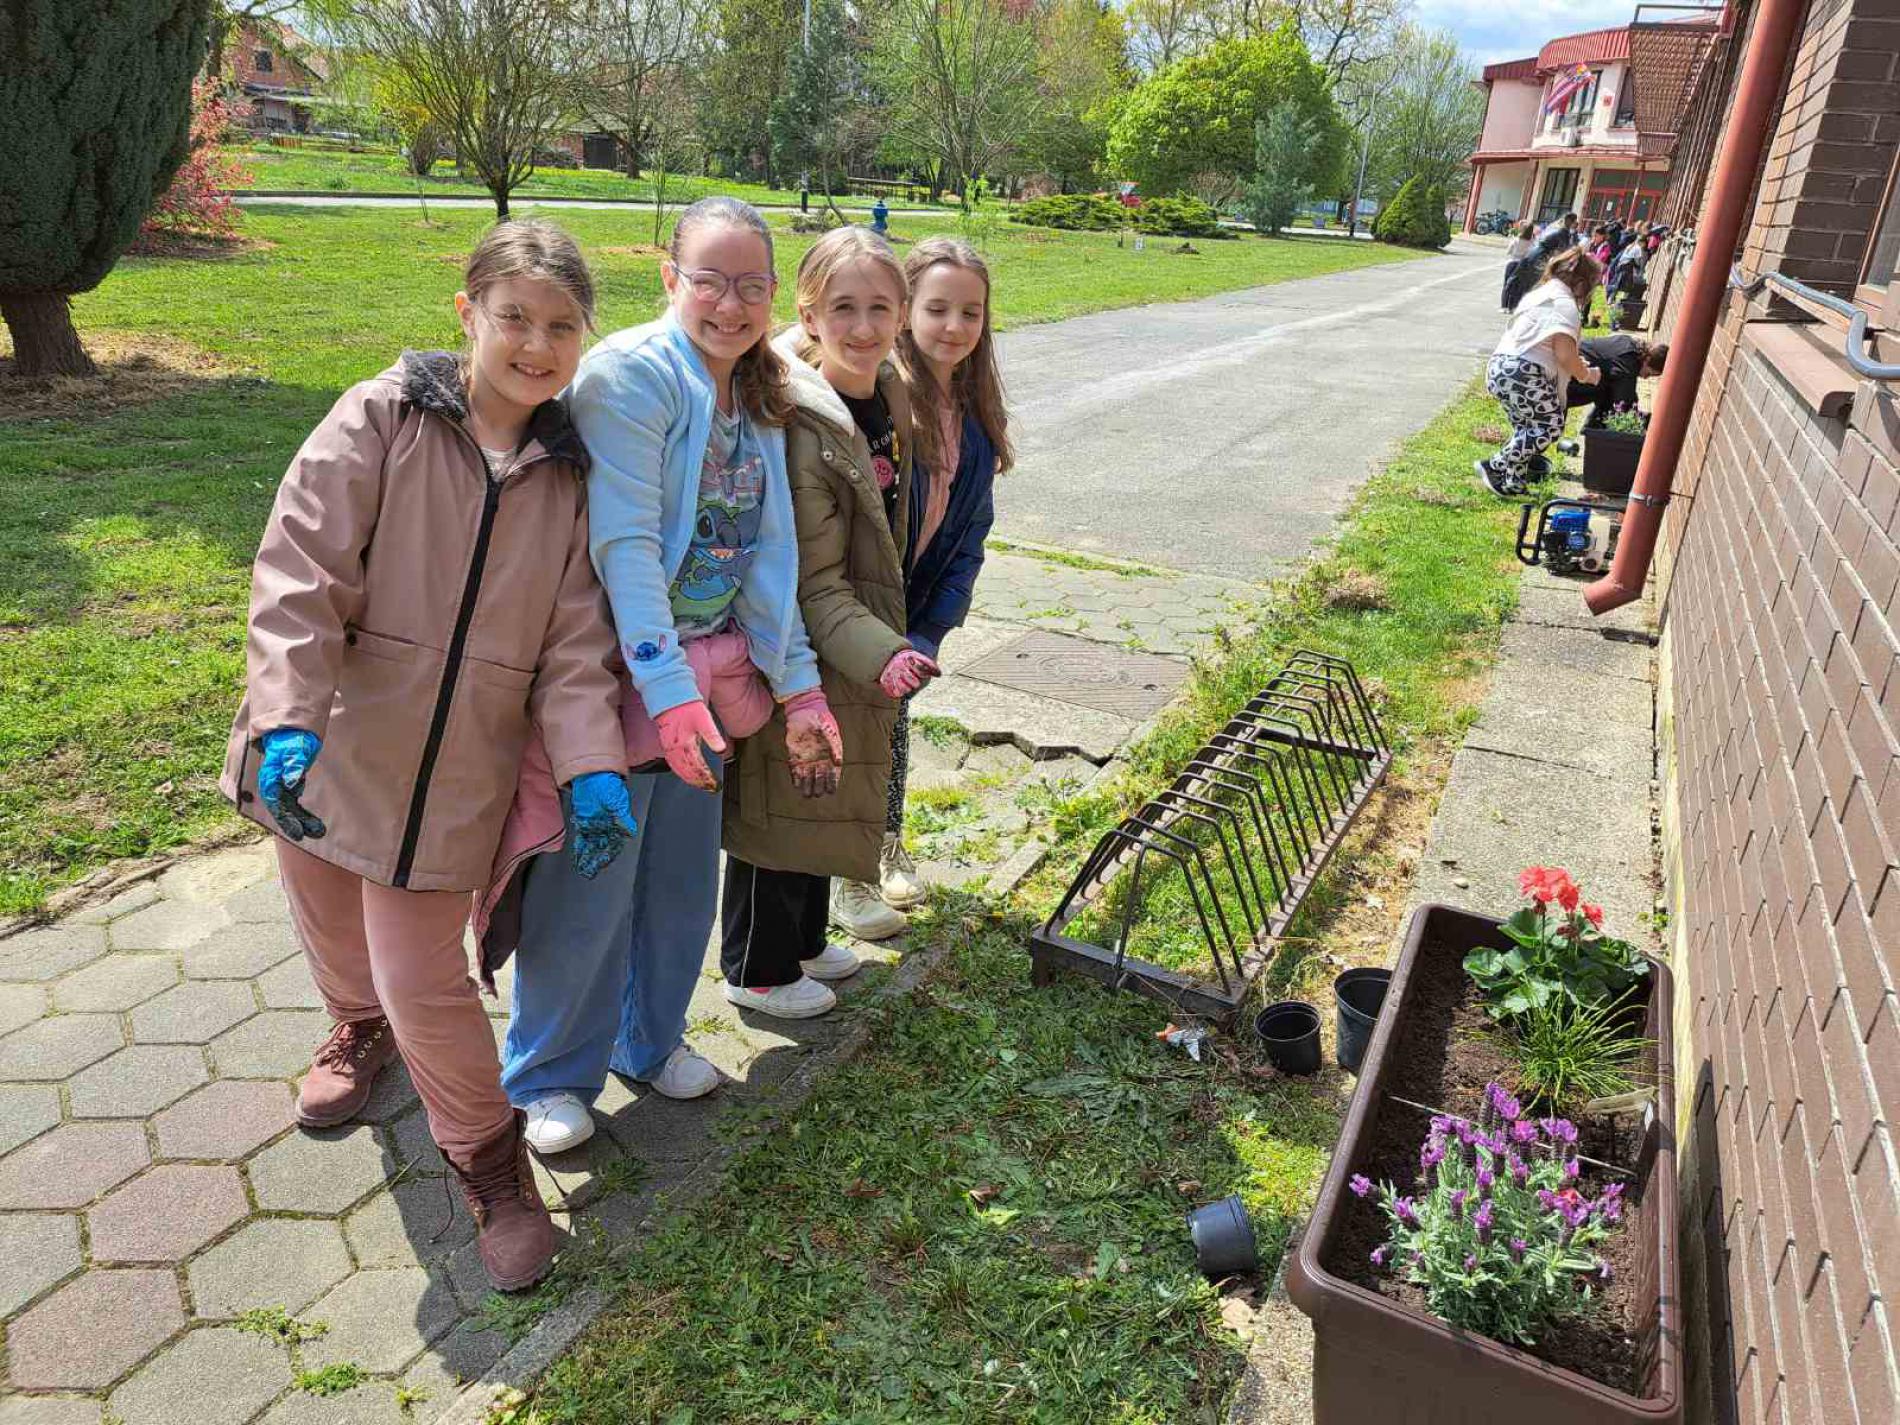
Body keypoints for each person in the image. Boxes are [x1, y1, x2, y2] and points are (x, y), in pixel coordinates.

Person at [219, 221, 633, 1291]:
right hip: (331, 742)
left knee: (425, 978)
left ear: (583, 338)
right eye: (514, 318)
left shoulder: (571, 477)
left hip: (457, 780)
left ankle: (491, 1165)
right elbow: (300, 569)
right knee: (325, 913)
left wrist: (590, 763)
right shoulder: (383, 415)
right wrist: (288, 714)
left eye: (560, 327)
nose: (534, 345)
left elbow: (575, 648)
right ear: (467, 313)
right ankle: (354, 1029)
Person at [486, 198, 844, 1156]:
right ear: (669, 277)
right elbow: (626, 547)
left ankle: (649, 1040)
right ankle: (551, 1074)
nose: (731, 303)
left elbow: (767, 560)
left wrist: (799, 688)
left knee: (680, 884)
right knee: (589, 886)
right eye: (710, 280)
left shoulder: (756, 395)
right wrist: (668, 691)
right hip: (613, 683)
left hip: (708, 688)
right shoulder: (633, 377)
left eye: (752, 285)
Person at [720, 226, 932, 1015]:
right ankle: (757, 967)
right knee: (781, 801)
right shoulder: (803, 424)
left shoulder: (886, 393)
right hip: (801, 639)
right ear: (808, 315)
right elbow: (809, 578)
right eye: (843, 307)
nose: (863, 325)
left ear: (902, 312)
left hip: (852, 629)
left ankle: (805, 942)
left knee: (822, 792)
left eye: (880, 307)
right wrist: (882, 650)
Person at [836, 237, 1013, 922]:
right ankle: (845, 871)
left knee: (892, 731)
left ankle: (886, 847)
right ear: (907, 308)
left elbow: (970, 539)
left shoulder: (974, 419)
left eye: (971, 312)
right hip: (850, 607)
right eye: (937, 308)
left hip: (910, 615)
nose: (954, 326)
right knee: (844, 740)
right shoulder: (878, 397)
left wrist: (933, 628)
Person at [1476, 246, 1604, 497]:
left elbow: (1546, 344)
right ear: (1581, 284)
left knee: (1526, 428)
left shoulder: (1540, 294)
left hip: (1501, 367)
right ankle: (1495, 465)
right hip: (1523, 372)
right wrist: (1587, 375)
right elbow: (1565, 355)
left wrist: (1575, 363)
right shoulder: (1564, 305)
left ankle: (1513, 483)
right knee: (1549, 426)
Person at [1567, 335, 1668, 426]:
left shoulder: (1630, 344)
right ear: (1647, 359)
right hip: (1573, 373)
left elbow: (1625, 391)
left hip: (1574, 354)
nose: (1645, 378)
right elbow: (1624, 401)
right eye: (1649, 373)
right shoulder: (1627, 365)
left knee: (1606, 392)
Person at [1502, 222, 1536, 312]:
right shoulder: (1532, 242)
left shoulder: (1516, 240)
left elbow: (1508, 251)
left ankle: (1504, 306)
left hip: (1512, 262)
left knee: (1507, 284)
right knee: (1518, 286)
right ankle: (1513, 306)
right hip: (1523, 264)